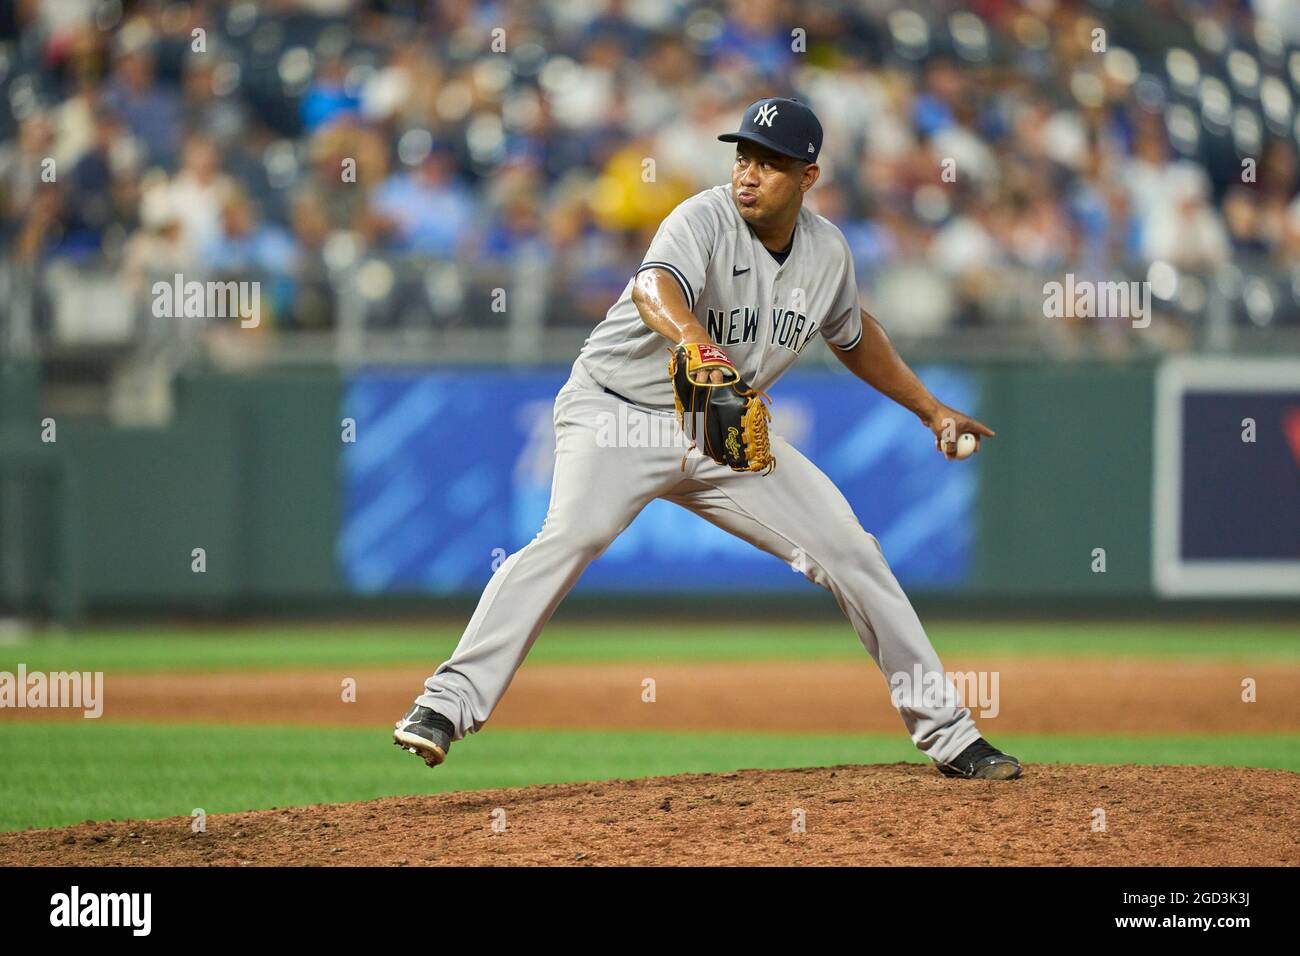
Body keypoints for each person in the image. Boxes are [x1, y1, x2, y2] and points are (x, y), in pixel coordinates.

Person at [395, 98, 1023, 781]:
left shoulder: (827, 252)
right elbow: (653, 286)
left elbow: (853, 333)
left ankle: (951, 734)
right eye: (744, 157)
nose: (749, 175)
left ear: (808, 176)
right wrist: (696, 340)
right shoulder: (703, 216)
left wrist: (930, 410)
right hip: (619, 414)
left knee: (853, 552)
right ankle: (445, 705)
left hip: (722, 428)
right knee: (570, 537)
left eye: (771, 164)